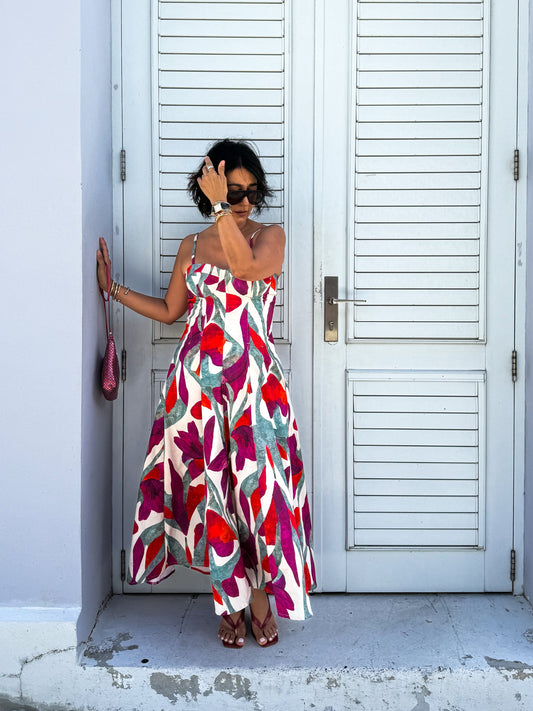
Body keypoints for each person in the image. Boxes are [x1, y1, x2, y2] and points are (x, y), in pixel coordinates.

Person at [97, 139, 316, 649]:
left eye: (251, 191)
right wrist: (114, 290)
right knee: (212, 491)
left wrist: (223, 209)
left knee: (258, 494)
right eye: (232, 191)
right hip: (195, 387)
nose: (244, 201)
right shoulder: (191, 246)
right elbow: (171, 311)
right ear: (210, 188)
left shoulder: (269, 236)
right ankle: (230, 602)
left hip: (254, 386)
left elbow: (246, 269)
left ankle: (259, 595)